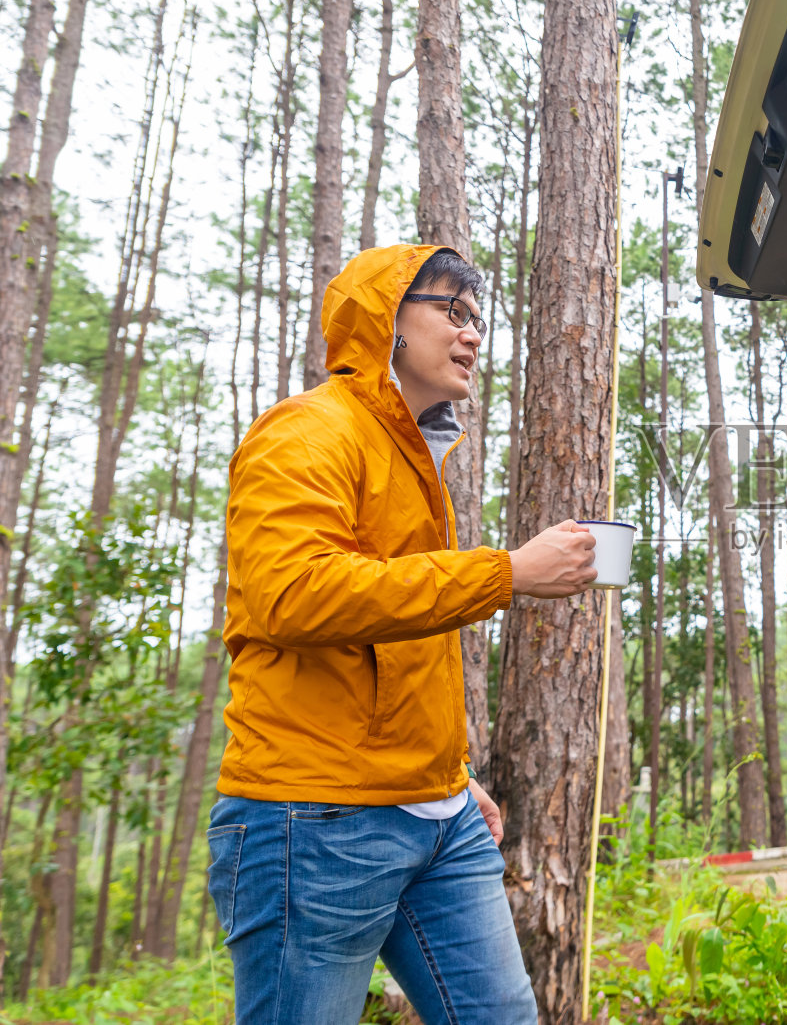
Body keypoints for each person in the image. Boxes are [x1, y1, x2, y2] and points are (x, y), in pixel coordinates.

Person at [207, 244, 598, 1024]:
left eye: (477, 319)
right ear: (387, 321)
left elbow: (395, 643)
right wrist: (505, 574)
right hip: (313, 820)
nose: (472, 334)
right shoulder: (306, 432)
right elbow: (293, 594)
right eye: (451, 311)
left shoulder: (417, 457)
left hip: (438, 816)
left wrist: (447, 771)